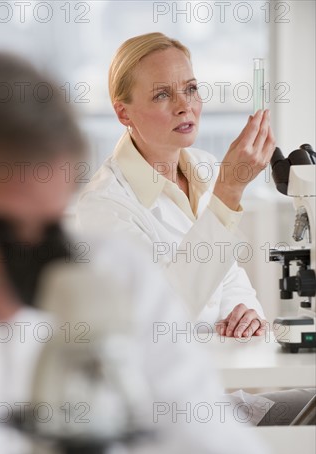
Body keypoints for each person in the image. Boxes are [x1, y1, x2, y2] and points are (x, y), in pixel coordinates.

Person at [0, 53, 313, 454]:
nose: (29, 265)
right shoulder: (108, 206)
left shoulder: (106, 272)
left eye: (49, 227)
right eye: (2, 231)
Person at [75, 32, 274, 338]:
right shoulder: (103, 205)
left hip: (225, 373)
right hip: (160, 384)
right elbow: (160, 317)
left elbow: (230, 281)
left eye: (191, 89)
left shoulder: (205, 167)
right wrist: (229, 192)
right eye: (162, 94)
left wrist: (247, 315)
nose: (185, 106)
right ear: (122, 112)